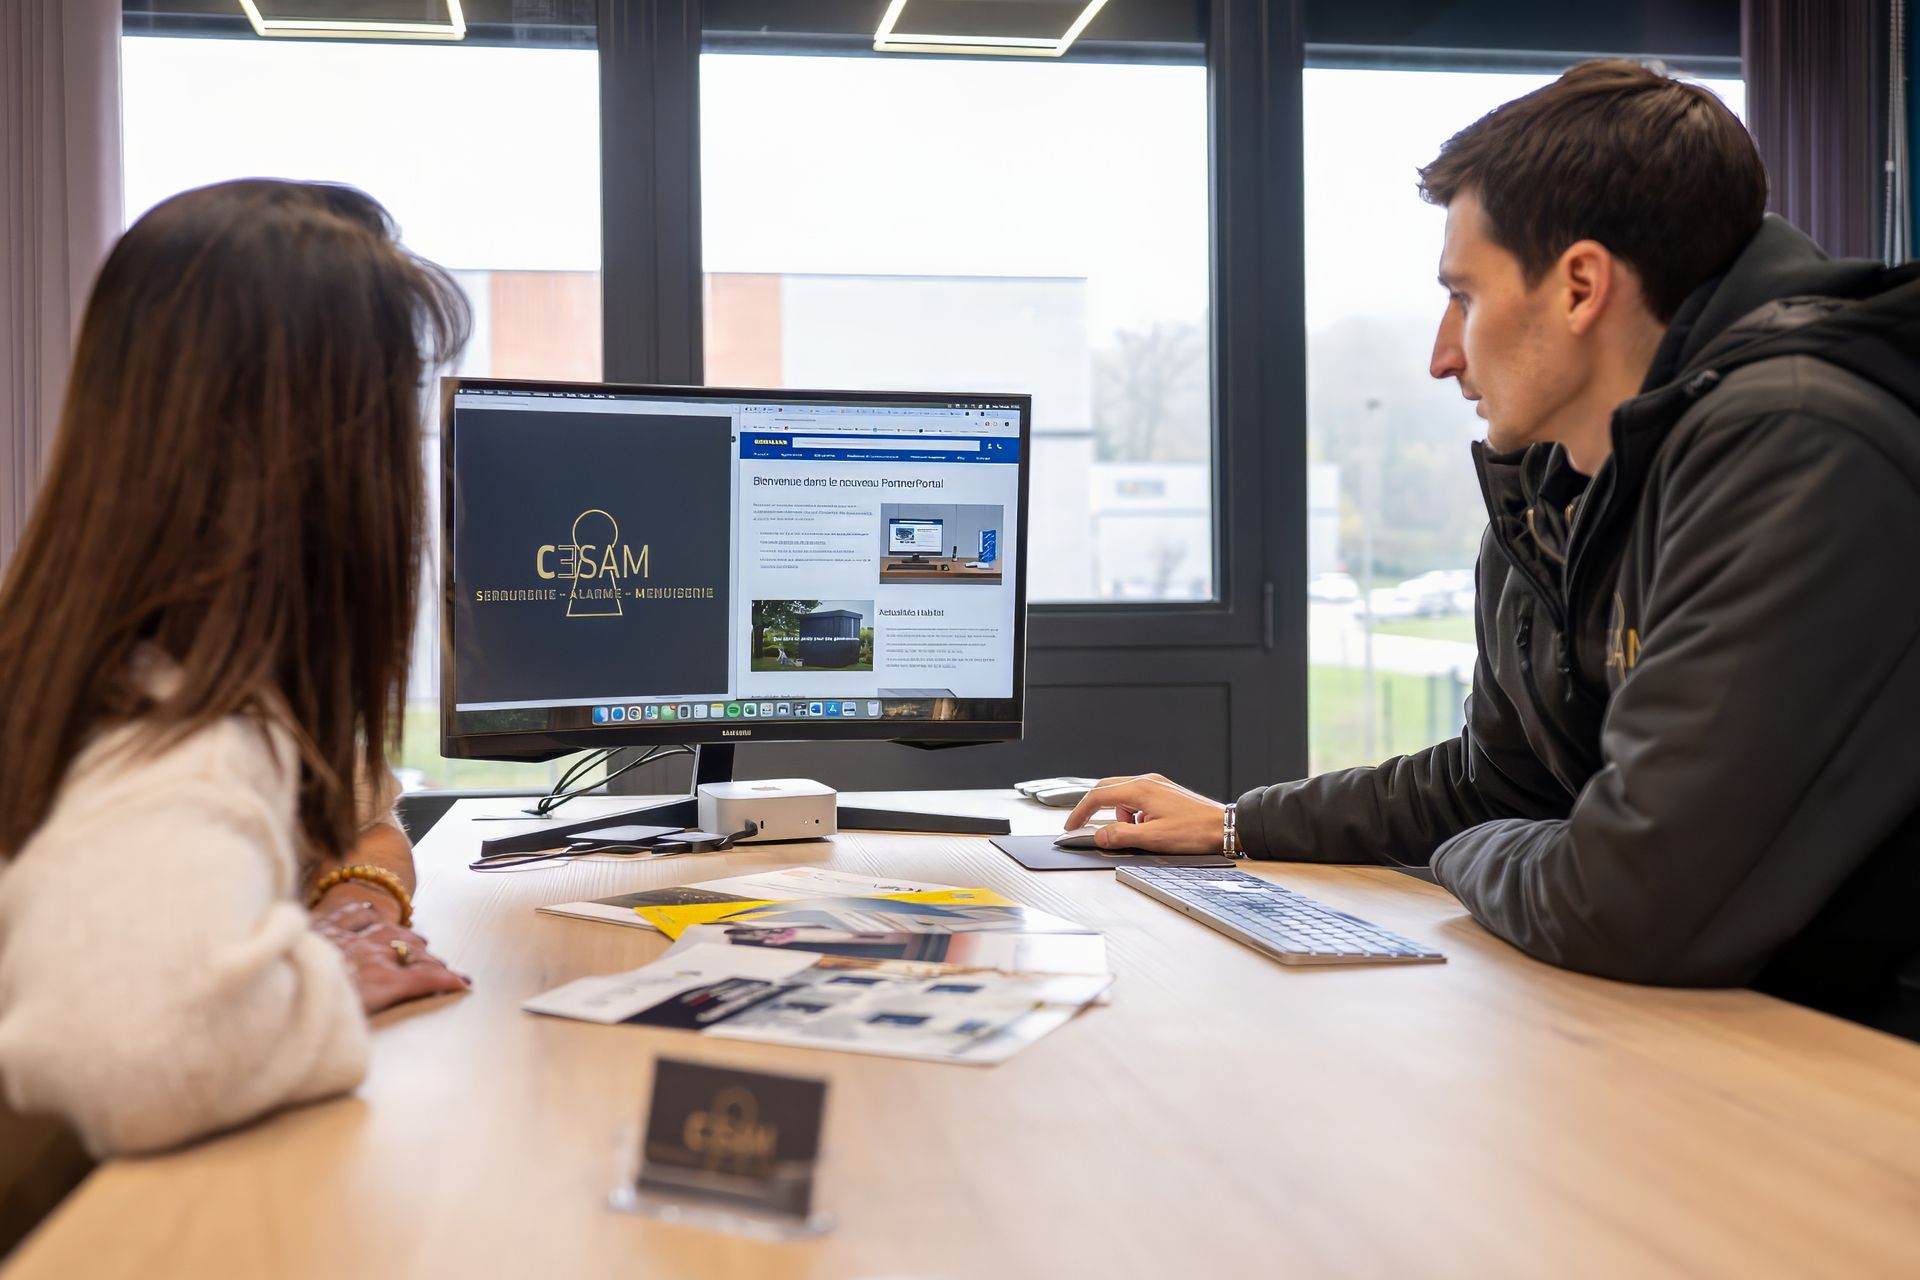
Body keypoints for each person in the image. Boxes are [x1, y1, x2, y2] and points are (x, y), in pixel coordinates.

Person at [1067, 60, 1920, 1039]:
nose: (1442, 353)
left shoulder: (1801, 446)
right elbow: (1493, 780)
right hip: (1721, 1029)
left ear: (1581, 286)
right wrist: (1236, 824)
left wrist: (1472, 850)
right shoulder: (1563, 488)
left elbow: (1625, 896)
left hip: (1864, 1065)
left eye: (1464, 297)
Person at [0, 179, 474, 1160]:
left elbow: (356, 809)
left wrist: (349, 905)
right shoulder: (185, 733)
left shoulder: (105, 659)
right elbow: (133, 1053)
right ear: (330, 466)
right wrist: (319, 985)